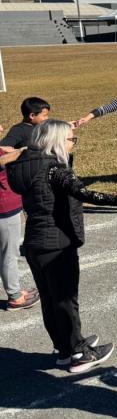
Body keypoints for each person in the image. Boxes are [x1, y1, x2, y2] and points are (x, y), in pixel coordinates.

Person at [6, 120, 117, 373]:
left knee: (50, 300)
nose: (73, 143)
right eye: (71, 139)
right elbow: (83, 192)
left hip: (34, 242)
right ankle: (80, 352)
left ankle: (64, 348)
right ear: (57, 140)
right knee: (65, 300)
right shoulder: (53, 168)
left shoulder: (22, 165)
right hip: (57, 242)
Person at [0, 126, 39, 310]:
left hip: (7, 207)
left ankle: (14, 290)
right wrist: (23, 151)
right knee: (9, 254)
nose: (1, 127)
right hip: (4, 208)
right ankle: (15, 297)